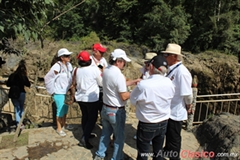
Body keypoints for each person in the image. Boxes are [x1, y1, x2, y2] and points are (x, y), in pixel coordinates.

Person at [94, 49, 140, 160]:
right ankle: (117, 157)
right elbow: (123, 96)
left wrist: (134, 81)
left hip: (106, 107)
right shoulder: (118, 75)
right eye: (124, 61)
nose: (125, 64)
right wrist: (136, 91)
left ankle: (100, 155)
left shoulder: (107, 71)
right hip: (116, 110)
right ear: (118, 61)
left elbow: (117, 86)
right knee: (119, 137)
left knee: (105, 133)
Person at [130, 55, 175, 160]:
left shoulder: (144, 85)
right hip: (163, 121)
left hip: (147, 123)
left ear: (151, 67)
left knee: (143, 153)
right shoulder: (169, 83)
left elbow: (133, 100)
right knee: (158, 151)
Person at [162, 43, 193, 160]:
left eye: (167, 54)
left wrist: (189, 105)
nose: (165, 56)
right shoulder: (172, 70)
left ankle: (174, 157)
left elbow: (187, 94)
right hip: (169, 109)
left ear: (175, 57)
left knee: (174, 137)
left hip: (176, 111)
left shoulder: (182, 72)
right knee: (169, 135)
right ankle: (167, 151)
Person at [70, 50, 102, 149]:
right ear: (89, 60)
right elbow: (101, 83)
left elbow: (74, 82)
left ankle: (86, 134)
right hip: (92, 98)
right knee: (92, 119)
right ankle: (84, 138)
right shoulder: (94, 70)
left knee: (85, 116)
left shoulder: (76, 70)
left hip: (80, 97)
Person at [50, 48, 73, 136]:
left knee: (65, 109)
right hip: (59, 91)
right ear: (61, 57)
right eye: (66, 56)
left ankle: (64, 124)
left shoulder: (68, 65)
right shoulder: (57, 66)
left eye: (69, 55)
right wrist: (52, 90)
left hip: (66, 91)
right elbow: (50, 77)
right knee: (60, 110)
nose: (69, 57)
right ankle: (59, 128)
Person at [6, 60, 31, 127]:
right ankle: (21, 122)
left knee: (17, 109)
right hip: (21, 93)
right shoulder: (23, 76)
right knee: (21, 108)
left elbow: (8, 84)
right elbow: (28, 84)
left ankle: (18, 124)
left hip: (13, 94)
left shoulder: (12, 75)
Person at [91, 43, 108, 119]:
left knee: (102, 105)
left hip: (102, 85)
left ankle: (103, 119)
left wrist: (102, 68)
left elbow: (106, 69)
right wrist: (102, 68)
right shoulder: (90, 60)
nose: (103, 54)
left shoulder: (103, 60)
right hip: (93, 85)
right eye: (101, 52)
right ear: (95, 52)